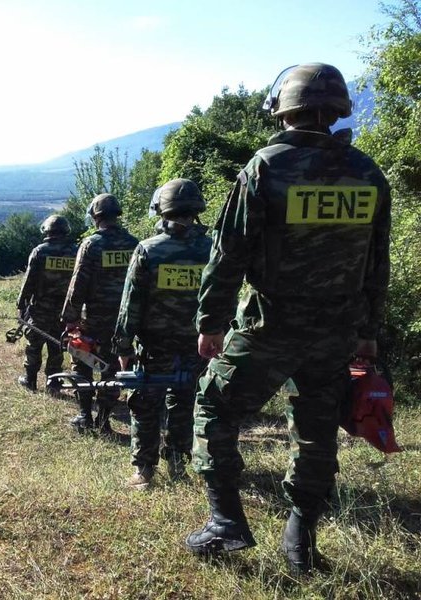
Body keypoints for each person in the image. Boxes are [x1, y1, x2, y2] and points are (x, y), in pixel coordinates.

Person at [184, 63, 391, 575]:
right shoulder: (367, 173)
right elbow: (377, 263)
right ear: (337, 109)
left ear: (284, 109)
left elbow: (228, 253)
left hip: (269, 326)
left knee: (213, 406)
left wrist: (211, 323)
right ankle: (301, 542)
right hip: (336, 332)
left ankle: (226, 522)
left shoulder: (267, 166)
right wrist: (367, 333)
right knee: (317, 429)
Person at [113, 178, 212, 488]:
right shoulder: (213, 249)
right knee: (185, 402)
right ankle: (179, 462)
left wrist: (123, 345)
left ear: (162, 209)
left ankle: (144, 470)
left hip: (154, 347)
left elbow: (131, 303)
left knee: (144, 404)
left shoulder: (148, 250)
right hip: (199, 346)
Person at [61, 193, 139, 433]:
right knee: (113, 368)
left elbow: (78, 284)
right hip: (123, 322)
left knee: (82, 363)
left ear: (96, 216)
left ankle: (85, 415)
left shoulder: (91, 244)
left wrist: (70, 318)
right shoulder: (134, 244)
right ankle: (104, 421)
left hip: (92, 320)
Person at [16, 215, 78, 393]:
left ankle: (30, 379)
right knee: (57, 345)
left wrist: (21, 305)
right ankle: (54, 382)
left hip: (40, 309)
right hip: (64, 311)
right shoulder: (76, 252)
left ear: (47, 231)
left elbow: (29, 281)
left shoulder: (40, 251)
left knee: (34, 345)